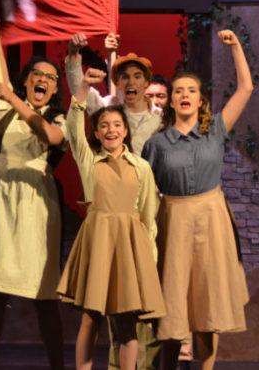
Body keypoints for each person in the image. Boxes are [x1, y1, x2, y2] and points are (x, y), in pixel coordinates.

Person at [0, 0, 68, 370]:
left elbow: (53, 139)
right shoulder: (5, 106)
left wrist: (17, 101)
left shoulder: (57, 116)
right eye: (36, 75)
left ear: (55, 89)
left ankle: (58, 365)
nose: (42, 80)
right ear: (25, 81)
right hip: (1, 201)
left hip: (37, 205)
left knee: (43, 295)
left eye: (50, 78)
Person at [141, 29, 254, 370]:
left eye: (191, 90)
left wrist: (236, 48)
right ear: (170, 100)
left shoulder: (216, 130)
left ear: (201, 99)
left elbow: (246, 89)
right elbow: (144, 190)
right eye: (178, 91)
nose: (185, 95)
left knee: (208, 305)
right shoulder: (157, 144)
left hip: (211, 218)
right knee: (172, 305)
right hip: (173, 220)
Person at [66, 33, 164, 369]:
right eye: (104, 125)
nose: (111, 130)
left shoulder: (142, 166)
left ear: (126, 131)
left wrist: (147, 256)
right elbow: (72, 129)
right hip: (99, 241)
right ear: (97, 131)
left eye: (117, 126)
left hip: (130, 245)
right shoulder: (90, 160)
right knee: (91, 318)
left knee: (128, 321)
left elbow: (149, 216)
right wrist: (78, 79)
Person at [66, 33, 164, 157]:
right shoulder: (108, 108)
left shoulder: (161, 117)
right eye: (125, 77)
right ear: (117, 83)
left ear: (146, 83)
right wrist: (73, 54)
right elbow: (79, 90)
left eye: (137, 76)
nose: (131, 82)